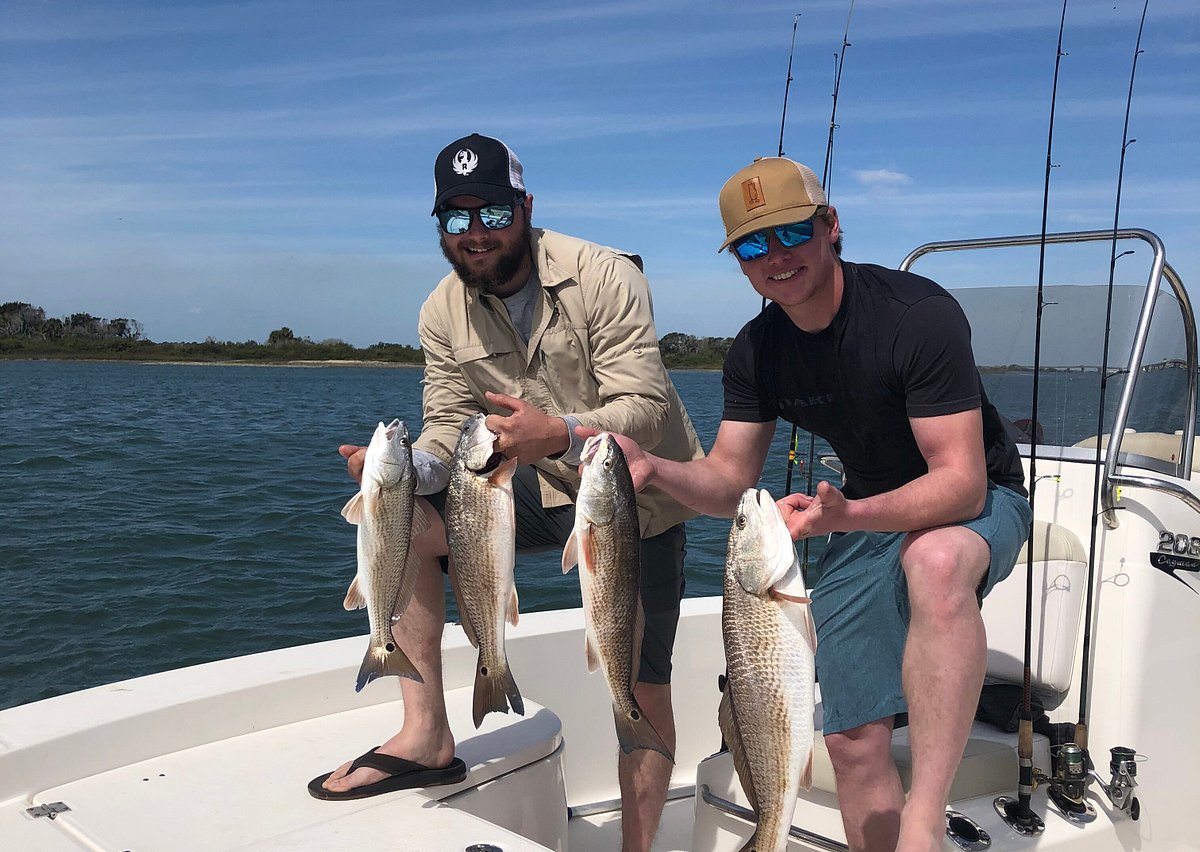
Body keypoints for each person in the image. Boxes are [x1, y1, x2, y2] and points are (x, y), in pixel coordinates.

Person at [594, 156, 1032, 852]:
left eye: (791, 232)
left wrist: (845, 516)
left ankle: (923, 823)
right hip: (860, 514)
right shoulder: (755, 351)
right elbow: (731, 480)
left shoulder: (917, 316)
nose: (776, 257)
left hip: (976, 504)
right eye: (752, 244)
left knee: (937, 557)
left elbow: (962, 484)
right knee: (852, 742)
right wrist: (654, 469)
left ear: (831, 228)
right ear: (739, 262)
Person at [310, 133, 703, 852]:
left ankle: (639, 846)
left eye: (489, 211)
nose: (475, 233)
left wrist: (557, 432)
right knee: (399, 515)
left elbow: (644, 406)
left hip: (628, 496)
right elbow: (445, 427)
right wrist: (401, 472)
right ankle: (427, 734)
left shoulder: (606, 274)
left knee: (638, 687)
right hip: (510, 487)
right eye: (455, 220)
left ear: (524, 206)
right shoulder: (440, 310)